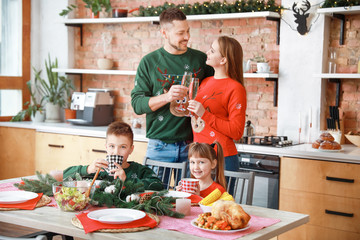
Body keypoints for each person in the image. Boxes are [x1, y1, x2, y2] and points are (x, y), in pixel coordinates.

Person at [131, 8, 214, 182]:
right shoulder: (149, 62)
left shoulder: (200, 60)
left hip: (193, 147)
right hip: (159, 146)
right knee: (154, 199)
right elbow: (137, 104)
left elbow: (216, 92)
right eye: (180, 33)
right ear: (164, 33)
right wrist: (167, 97)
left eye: (188, 31)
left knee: (191, 202)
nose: (187, 37)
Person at [187, 36, 247, 193]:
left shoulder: (236, 88)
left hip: (222, 159)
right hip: (198, 159)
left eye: (212, 51)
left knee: (221, 211)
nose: (207, 52)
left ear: (223, 60)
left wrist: (203, 114)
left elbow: (236, 131)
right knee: (195, 209)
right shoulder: (204, 82)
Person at [62, 121, 163, 191]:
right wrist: (88, 169)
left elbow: (158, 185)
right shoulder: (99, 171)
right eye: (111, 146)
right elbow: (64, 176)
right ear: (106, 147)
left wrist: (127, 181)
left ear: (131, 150)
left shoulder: (139, 170)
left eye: (123, 147)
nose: (116, 152)